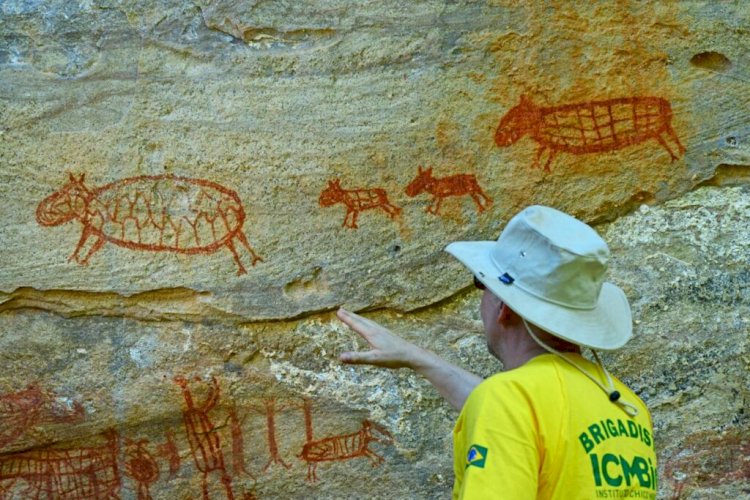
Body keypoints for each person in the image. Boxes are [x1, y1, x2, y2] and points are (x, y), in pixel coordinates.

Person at [336, 205, 657, 499]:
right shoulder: (629, 407)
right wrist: (415, 357)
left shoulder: (507, 401)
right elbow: (531, 425)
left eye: (481, 283)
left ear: (503, 307)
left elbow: (510, 412)